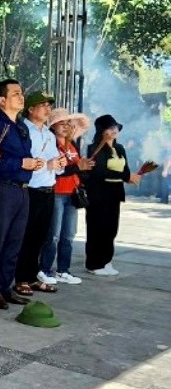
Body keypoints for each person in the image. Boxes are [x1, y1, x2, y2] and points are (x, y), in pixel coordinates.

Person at [0, 79, 43, 310]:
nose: (21, 97)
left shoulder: (21, 126)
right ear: (2, 100)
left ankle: (6, 287)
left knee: (14, 242)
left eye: (21, 93)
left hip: (22, 189)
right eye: (16, 93)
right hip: (3, 188)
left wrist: (31, 164)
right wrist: (21, 162)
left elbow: (23, 159)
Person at [14, 92, 67, 295]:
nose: (47, 109)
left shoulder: (49, 134)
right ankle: (20, 278)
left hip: (48, 189)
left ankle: (32, 275)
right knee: (26, 236)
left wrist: (59, 164)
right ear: (30, 109)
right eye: (42, 105)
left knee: (41, 236)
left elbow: (56, 163)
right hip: (31, 189)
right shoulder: (22, 130)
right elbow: (25, 161)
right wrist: (48, 164)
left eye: (49, 105)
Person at [39, 108, 93, 286]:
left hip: (72, 193)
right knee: (53, 235)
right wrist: (79, 168)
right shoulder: (50, 143)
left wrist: (84, 169)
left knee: (68, 235)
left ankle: (63, 270)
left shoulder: (73, 145)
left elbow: (77, 168)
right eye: (62, 123)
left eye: (69, 123)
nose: (66, 126)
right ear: (53, 126)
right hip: (56, 193)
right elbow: (57, 171)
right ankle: (45, 269)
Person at [84, 114, 141, 276]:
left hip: (114, 193)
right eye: (110, 127)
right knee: (97, 227)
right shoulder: (94, 148)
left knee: (111, 229)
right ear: (102, 130)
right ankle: (94, 263)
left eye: (115, 127)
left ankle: (106, 260)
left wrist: (131, 177)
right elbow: (100, 171)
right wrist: (124, 176)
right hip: (98, 193)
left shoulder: (120, 148)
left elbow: (125, 170)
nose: (114, 130)